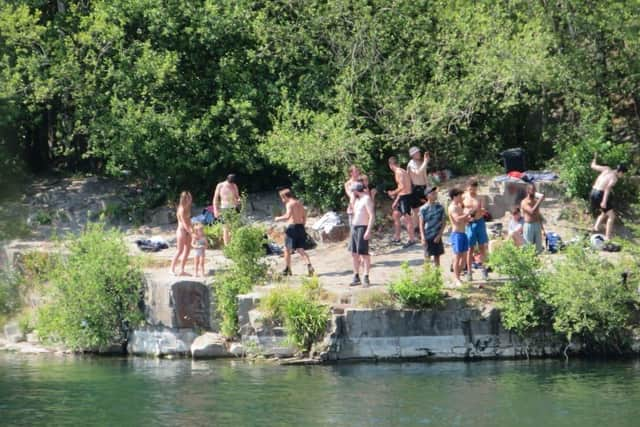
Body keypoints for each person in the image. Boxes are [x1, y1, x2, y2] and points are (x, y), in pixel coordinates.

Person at [275, 189, 315, 276]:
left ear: (285, 196)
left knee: (287, 249)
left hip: (292, 228)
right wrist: (302, 225)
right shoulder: (298, 203)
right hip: (300, 227)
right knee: (300, 249)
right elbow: (304, 216)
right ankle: (309, 265)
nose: (282, 200)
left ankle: (288, 269)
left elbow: (287, 216)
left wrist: (278, 218)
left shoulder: (289, 204)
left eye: (282, 198)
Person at [590, 154, 628, 241]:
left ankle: (595, 228)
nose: (622, 176)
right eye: (623, 174)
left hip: (593, 192)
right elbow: (607, 189)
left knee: (604, 212)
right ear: (620, 172)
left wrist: (595, 158)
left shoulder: (606, 169)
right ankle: (608, 237)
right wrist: (604, 201)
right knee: (611, 216)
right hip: (600, 195)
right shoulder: (614, 178)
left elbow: (593, 166)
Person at [349, 181, 375, 286]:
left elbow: (372, 216)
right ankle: (356, 276)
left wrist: (368, 230)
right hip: (355, 228)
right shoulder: (357, 200)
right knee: (354, 253)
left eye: (353, 191)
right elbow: (354, 213)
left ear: (356, 191)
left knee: (364, 254)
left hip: (362, 228)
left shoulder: (366, 199)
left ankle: (366, 276)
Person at [387, 156, 416, 247]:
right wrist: (396, 200)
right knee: (395, 215)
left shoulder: (398, 172)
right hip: (403, 196)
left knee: (407, 219)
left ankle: (412, 239)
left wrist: (392, 192)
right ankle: (397, 237)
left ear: (391, 165)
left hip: (405, 197)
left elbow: (402, 187)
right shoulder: (402, 171)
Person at [463, 179, 489, 281]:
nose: (472, 190)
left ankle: (484, 270)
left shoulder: (480, 198)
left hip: (479, 222)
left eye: (474, 188)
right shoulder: (464, 197)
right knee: (470, 248)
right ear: (467, 188)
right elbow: (460, 209)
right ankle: (469, 272)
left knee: (482, 247)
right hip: (469, 224)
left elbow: (484, 211)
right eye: (470, 188)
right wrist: (467, 215)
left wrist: (479, 210)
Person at [448, 188, 472, 286]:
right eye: (460, 195)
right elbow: (457, 219)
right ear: (455, 196)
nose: (461, 197)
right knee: (457, 257)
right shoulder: (452, 207)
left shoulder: (459, 207)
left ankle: (459, 276)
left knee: (464, 256)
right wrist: (467, 214)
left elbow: (463, 221)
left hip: (463, 233)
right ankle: (456, 278)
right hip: (457, 234)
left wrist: (468, 219)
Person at [419, 187, 445, 267]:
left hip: (437, 235)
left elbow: (443, 223)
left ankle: (437, 276)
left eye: (435, 193)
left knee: (437, 257)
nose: (435, 195)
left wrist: (439, 235)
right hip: (427, 235)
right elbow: (421, 224)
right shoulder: (423, 209)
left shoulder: (440, 207)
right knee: (427, 257)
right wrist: (423, 237)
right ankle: (427, 277)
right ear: (427, 196)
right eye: (432, 193)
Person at [213, 174, 241, 246]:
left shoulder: (234, 186)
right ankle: (227, 246)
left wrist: (239, 200)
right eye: (230, 183)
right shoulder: (220, 185)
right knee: (225, 228)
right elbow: (215, 198)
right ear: (227, 179)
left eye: (232, 183)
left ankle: (233, 244)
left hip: (234, 208)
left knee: (234, 227)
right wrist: (215, 210)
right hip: (224, 208)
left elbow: (237, 196)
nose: (231, 184)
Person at [170, 191, 193, 276]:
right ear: (184, 199)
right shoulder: (182, 209)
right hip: (182, 231)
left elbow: (189, 220)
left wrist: (192, 229)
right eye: (189, 197)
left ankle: (182, 270)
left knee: (187, 251)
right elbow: (184, 223)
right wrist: (191, 232)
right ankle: (171, 269)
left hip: (187, 231)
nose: (191, 199)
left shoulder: (188, 207)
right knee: (180, 250)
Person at [407, 147, 430, 230]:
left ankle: (422, 228)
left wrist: (428, 186)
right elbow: (418, 172)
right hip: (416, 188)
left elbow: (424, 175)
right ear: (412, 155)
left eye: (419, 152)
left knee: (425, 208)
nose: (419, 154)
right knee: (417, 210)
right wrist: (426, 161)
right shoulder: (411, 163)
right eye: (417, 153)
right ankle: (416, 228)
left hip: (423, 187)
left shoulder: (421, 162)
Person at [520, 183, 545, 253]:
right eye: (532, 190)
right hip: (529, 225)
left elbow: (538, 215)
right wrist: (540, 200)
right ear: (528, 191)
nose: (534, 192)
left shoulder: (535, 201)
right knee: (528, 248)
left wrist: (542, 229)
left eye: (535, 190)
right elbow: (531, 212)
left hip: (537, 224)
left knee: (539, 248)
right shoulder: (524, 202)